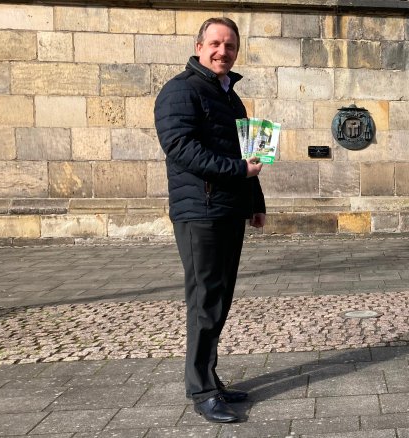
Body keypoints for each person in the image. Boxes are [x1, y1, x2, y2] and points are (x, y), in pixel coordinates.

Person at [154, 17, 266, 423]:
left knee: (218, 299)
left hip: (227, 210)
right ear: (199, 46)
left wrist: (255, 200)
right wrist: (240, 172)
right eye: (216, 44)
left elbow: (248, 157)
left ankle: (211, 379)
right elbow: (181, 149)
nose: (223, 51)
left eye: (231, 46)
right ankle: (201, 389)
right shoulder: (180, 91)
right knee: (204, 301)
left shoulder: (231, 97)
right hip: (198, 212)